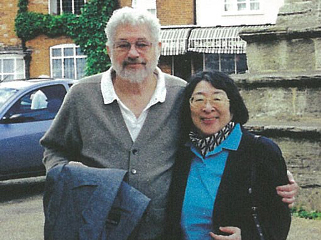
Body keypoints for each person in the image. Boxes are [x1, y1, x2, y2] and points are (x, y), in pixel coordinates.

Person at [40, 7, 297, 239]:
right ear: (108, 50)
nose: (133, 53)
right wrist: (68, 182)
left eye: (142, 44)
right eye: (122, 45)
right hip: (101, 231)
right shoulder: (82, 95)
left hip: (164, 232)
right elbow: (54, 149)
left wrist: (272, 173)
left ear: (158, 48)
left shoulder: (180, 94)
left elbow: (217, 134)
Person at [167, 71, 292, 240]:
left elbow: (278, 220)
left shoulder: (260, 150)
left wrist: (247, 237)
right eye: (198, 100)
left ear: (233, 105)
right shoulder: (182, 151)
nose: (208, 108)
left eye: (217, 99)